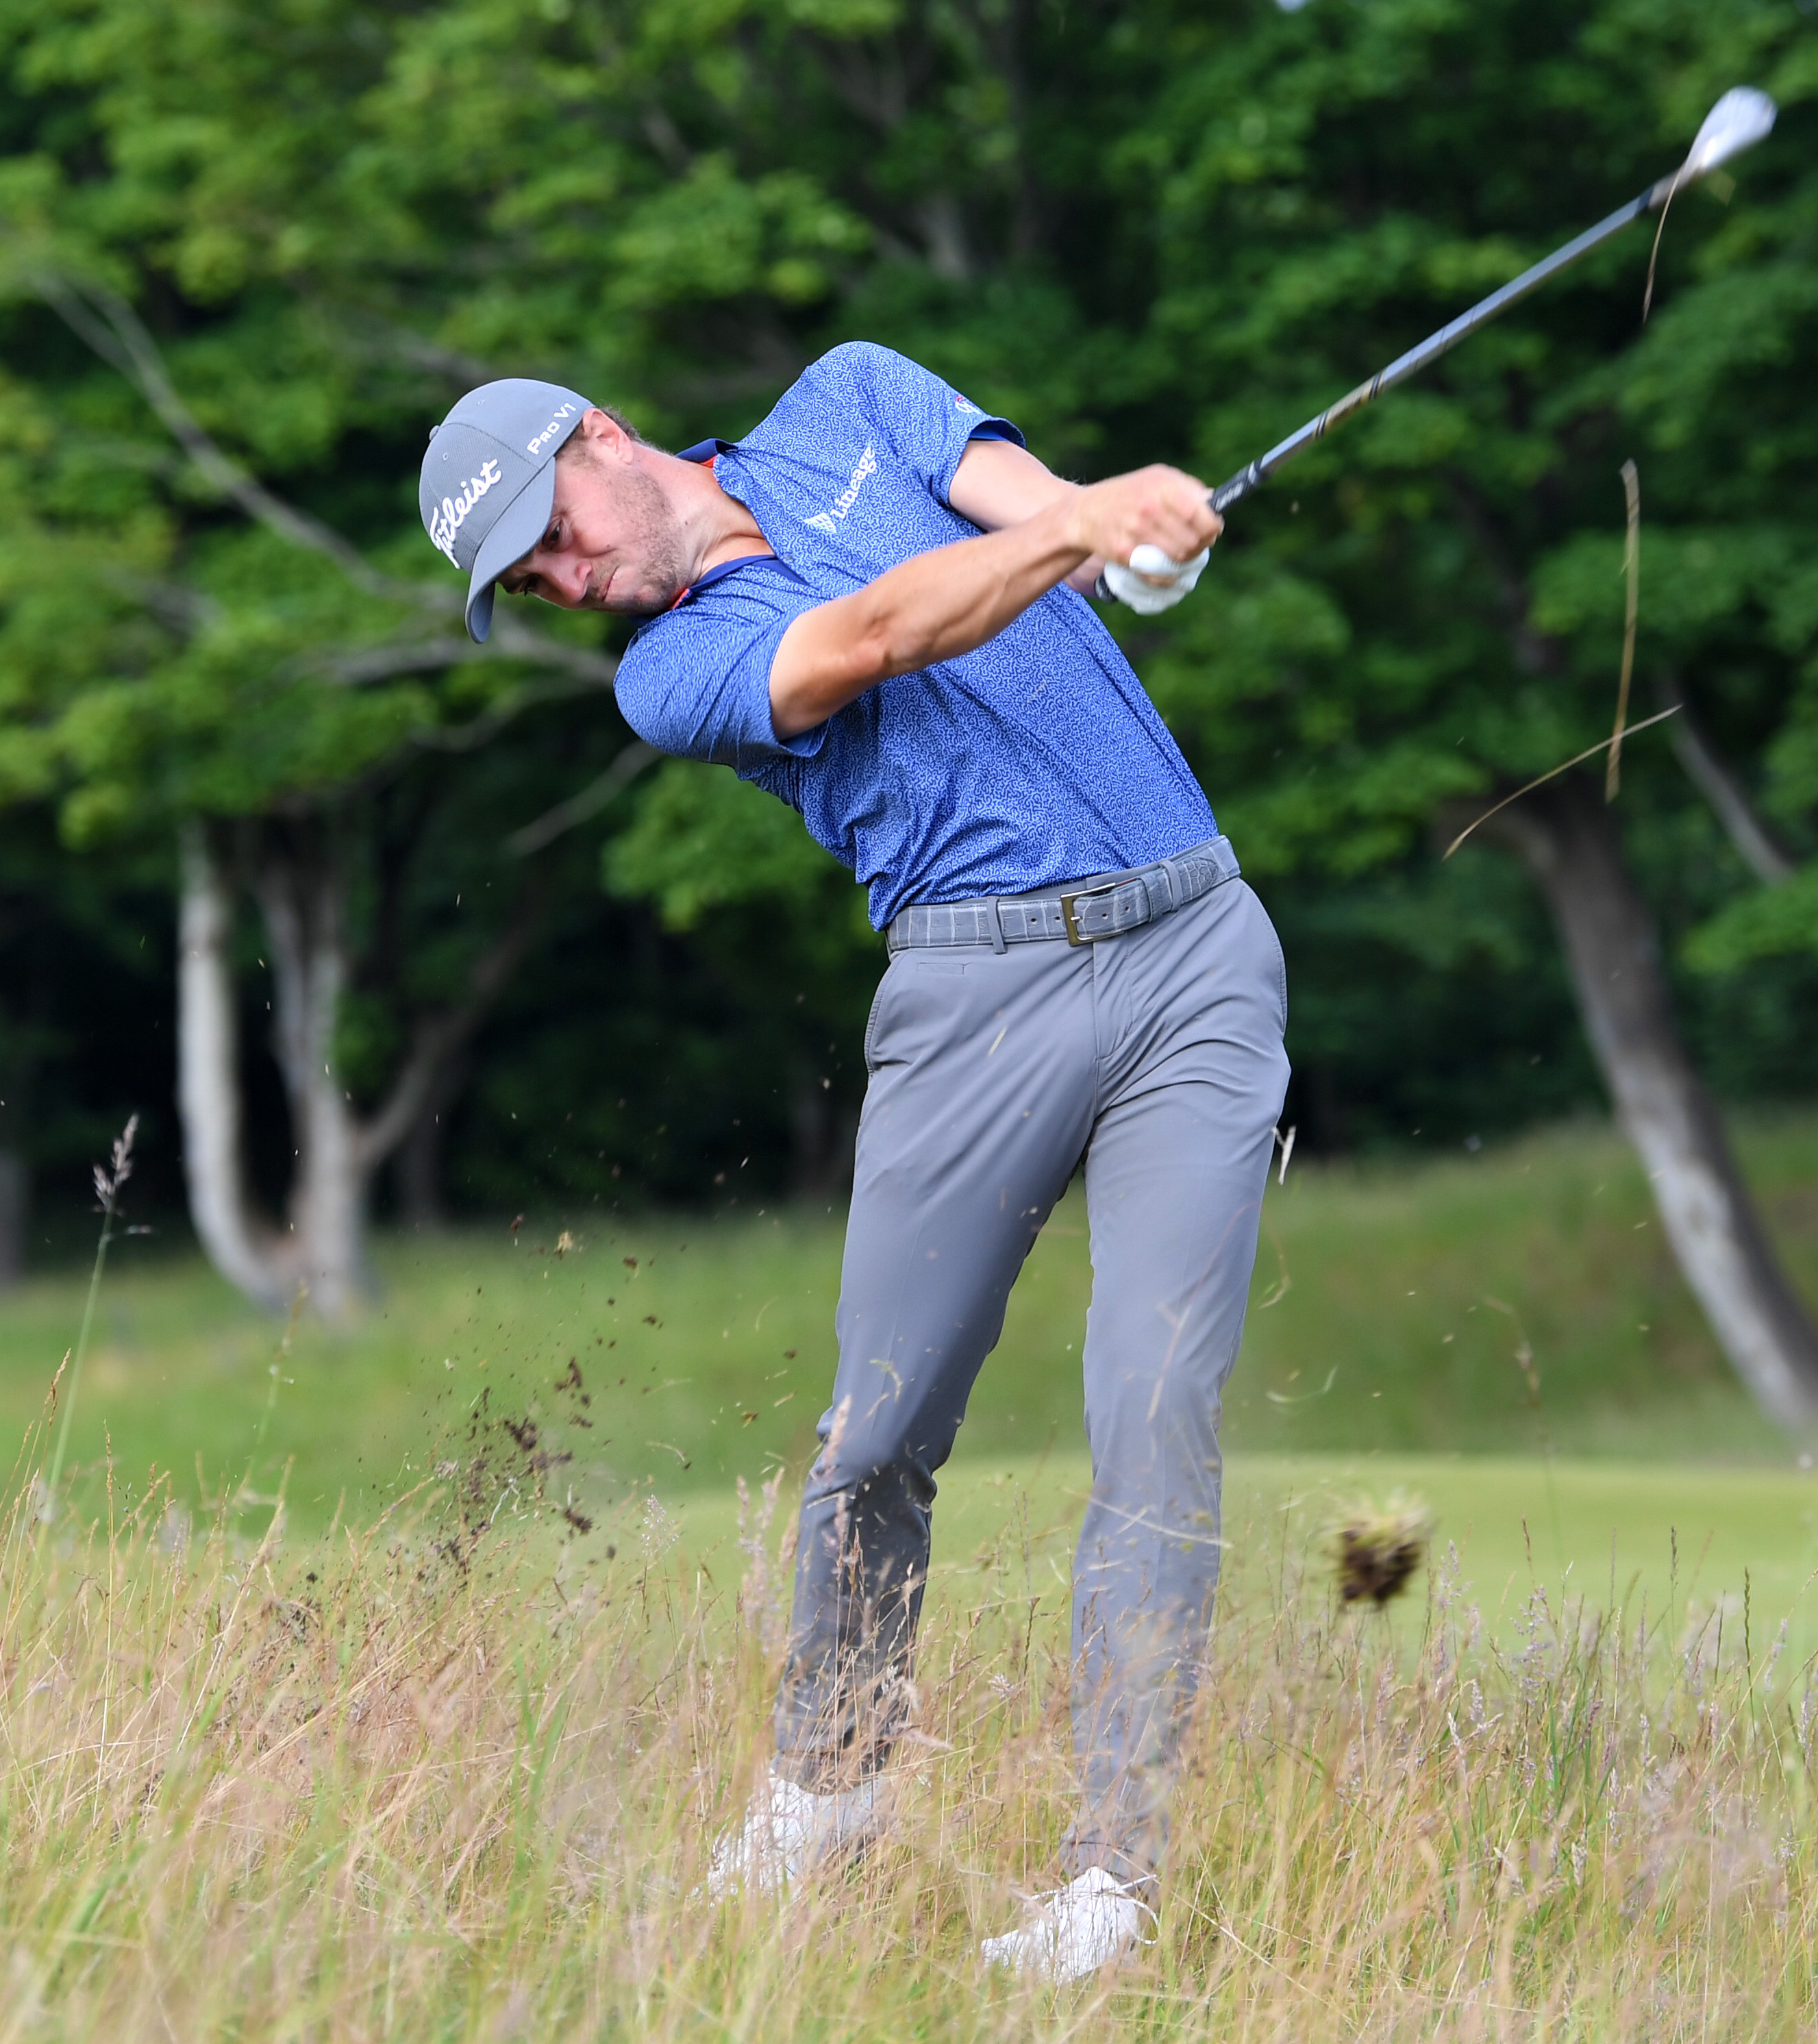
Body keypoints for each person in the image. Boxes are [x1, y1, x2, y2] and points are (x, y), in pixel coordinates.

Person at [415, 345, 1288, 1980]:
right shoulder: (671, 674)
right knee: (880, 1426)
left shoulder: (854, 402)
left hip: (1195, 950)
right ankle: (823, 1794)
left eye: (548, 533)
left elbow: (1029, 513)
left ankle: (1113, 1880)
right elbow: (883, 632)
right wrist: (1088, 529)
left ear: (599, 437)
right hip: (976, 994)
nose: (560, 578)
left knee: (1156, 1403)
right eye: (526, 580)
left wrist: (1128, 539)